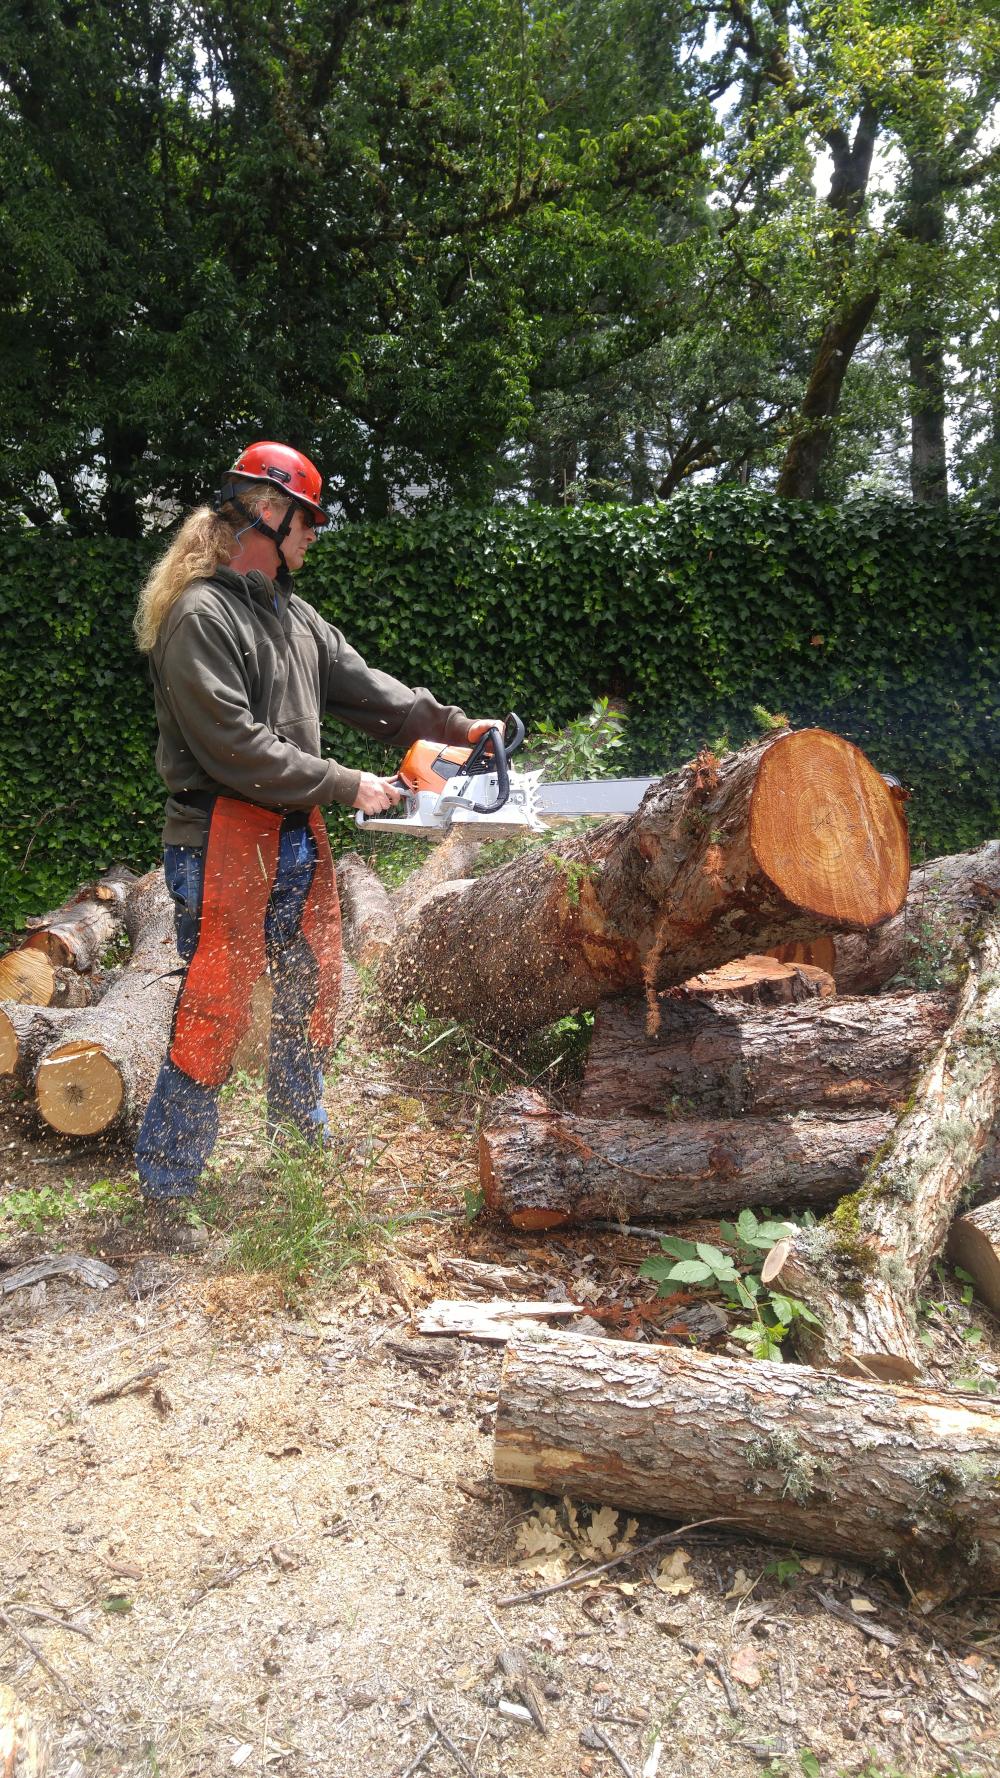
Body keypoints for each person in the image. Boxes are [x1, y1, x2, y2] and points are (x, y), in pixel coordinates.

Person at [133, 441, 498, 1248]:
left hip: (294, 834)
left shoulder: (292, 617)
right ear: (269, 512)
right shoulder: (201, 616)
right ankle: (167, 1189)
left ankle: (300, 1145)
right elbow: (233, 745)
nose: (313, 536)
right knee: (215, 1009)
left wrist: (457, 729)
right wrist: (346, 781)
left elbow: (370, 692)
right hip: (224, 837)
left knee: (313, 991)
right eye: (308, 521)